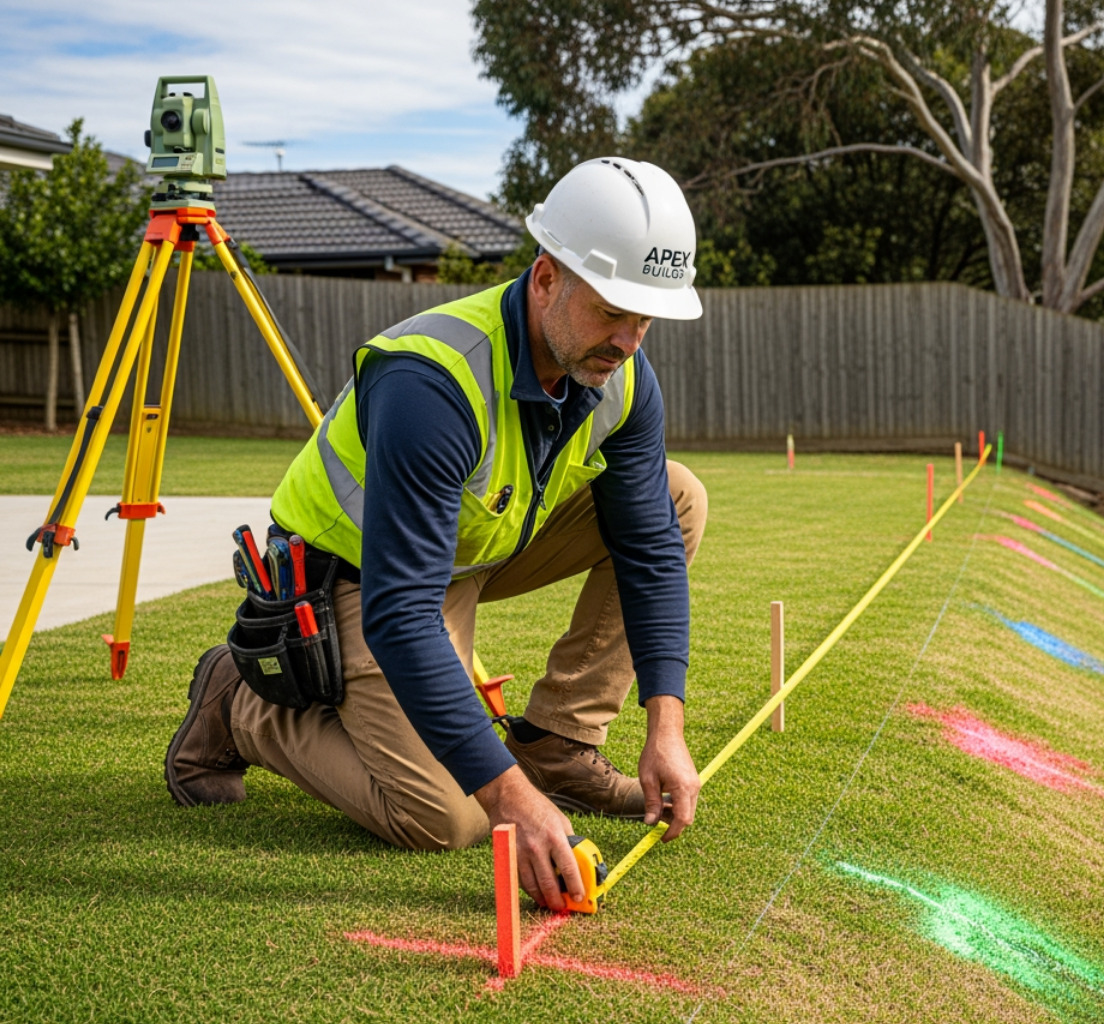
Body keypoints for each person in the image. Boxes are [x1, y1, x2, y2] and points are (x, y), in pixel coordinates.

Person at [164, 157, 706, 910]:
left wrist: (666, 727)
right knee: (446, 816)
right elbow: (400, 613)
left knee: (677, 498)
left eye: (647, 317)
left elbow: (649, 549)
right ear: (546, 277)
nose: (630, 339)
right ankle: (243, 704)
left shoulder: (619, 373)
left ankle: (557, 744)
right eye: (614, 309)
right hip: (355, 575)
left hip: (472, 545)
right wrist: (510, 798)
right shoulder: (433, 381)